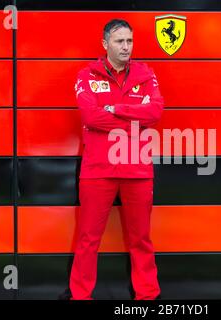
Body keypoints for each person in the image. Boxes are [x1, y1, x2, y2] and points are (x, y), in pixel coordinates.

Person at [69, 19, 164, 300]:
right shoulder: (87, 75)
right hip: (97, 169)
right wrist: (132, 120)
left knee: (141, 239)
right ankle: (80, 295)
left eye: (129, 41)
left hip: (137, 169)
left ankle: (147, 296)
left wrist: (115, 109)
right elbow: (89, 116)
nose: (126, 47)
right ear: (105, 44)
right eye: (119, 41)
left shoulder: (146, 74)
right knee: (87, 238)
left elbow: (155, 112)